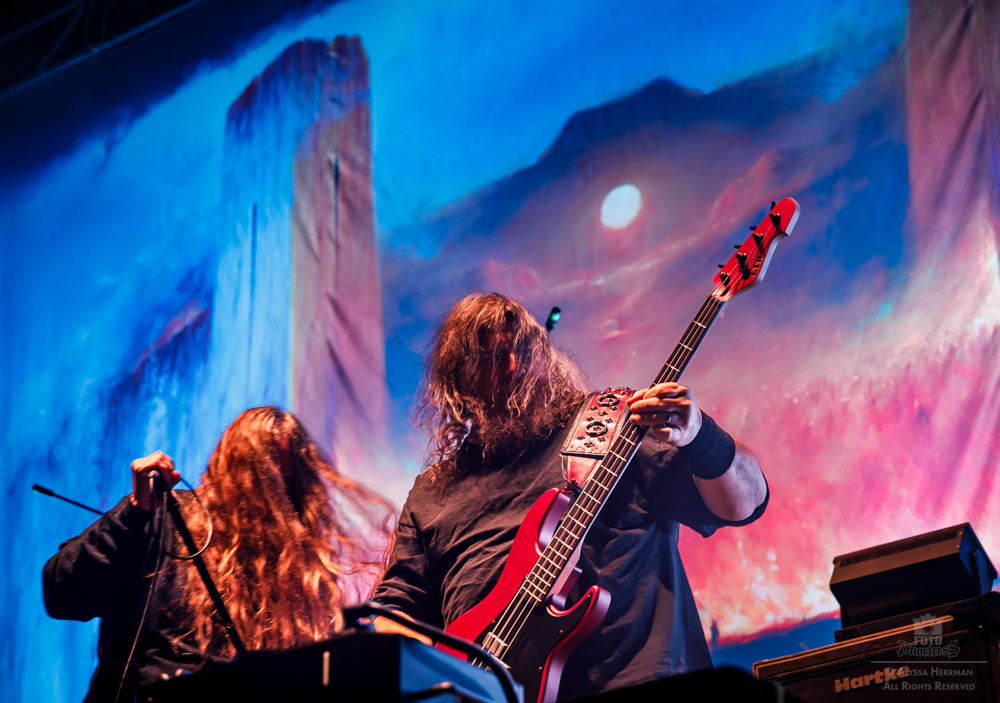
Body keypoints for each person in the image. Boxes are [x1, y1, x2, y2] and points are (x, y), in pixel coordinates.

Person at [373, 292, 769, 700]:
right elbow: (392, 616)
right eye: (492, 358)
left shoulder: (612, 427)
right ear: (459, 384)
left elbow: (744, 503)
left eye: (524, 348)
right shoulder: (433, 491)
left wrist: (700, 435)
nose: (514, 366)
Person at [43, 406, 392, 703]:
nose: (272, 501)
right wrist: (135, 512)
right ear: (232, 473)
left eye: (285, 489)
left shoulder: (297, 573)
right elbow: (62, 594)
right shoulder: (164, 518)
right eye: (261, 480)